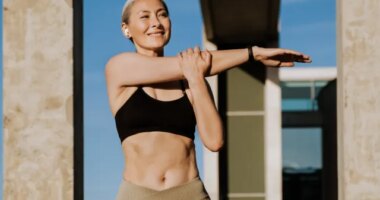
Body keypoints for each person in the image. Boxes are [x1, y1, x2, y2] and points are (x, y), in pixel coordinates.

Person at [105, 0, 312, 199]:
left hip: (190, 193)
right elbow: (183, 65)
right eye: (145, 16)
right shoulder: (119, 68)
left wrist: (196, 78)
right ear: (126, 28)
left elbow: (215, 141)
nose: (156, 23)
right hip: (138, 194)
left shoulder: (190, 79)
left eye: (163, 15)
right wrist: (253, 53)